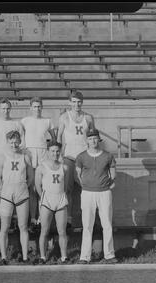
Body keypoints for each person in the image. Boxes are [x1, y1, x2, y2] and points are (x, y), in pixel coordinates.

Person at [75, 129, 118, 264]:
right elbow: (78, 175)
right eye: (90, 138)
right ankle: (85, 256)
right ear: (86, 141)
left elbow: (113, 172)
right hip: (88, 193)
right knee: (87, 225)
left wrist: (110, 183)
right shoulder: (81, 156)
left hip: (104, 192)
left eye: (95, 138)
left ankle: (109, 255)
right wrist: (86, 185)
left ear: (99, 140)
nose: (93, 141)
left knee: (107, 224)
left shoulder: (107, 156)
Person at [57, 91, 96, 227]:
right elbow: (58, 138)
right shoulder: (64, 117)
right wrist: (59, 157)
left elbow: (93, 137)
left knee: (86, 188)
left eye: (79, 101)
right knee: (67, 189)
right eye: (73, 101)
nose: (76, 104)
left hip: (84, 158)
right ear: (69, 103)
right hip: (69, 157)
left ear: (82, 102)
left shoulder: (89, 118)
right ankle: (68, 218)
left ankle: (88, 216)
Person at [0, 131, 34, 264]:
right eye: (11, 142)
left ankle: (24, 257)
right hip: (6, 196)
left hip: (22, 194)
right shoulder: (2, 156)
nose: (14, 144)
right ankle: (4, 257)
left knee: (23, 226)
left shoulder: (26, 156)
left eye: (16, 141)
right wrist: (4, 190)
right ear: (7, 142)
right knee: (4, 227)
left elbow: (31, 177)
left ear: (20, 141)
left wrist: (22, 187)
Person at [21, 97, 56, 228]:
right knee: (31, 187)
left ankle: (42, 218)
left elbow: (53, 139)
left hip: (43, 155)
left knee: (42, 188)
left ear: (42, 107)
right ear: (30, 108)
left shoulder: (47, 121)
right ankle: (32, 218)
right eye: (34, 106)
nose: (37, 109)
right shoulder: (25, 121)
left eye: (39, 106)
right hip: (29, 154)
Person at [35, 141, 71, 264]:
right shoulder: (41, 167)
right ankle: (43, 256)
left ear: (59, 152)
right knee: (44, 231)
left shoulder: (65, 167)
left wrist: (60, 196)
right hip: (47, 202)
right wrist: (44, 198)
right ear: (48, 152)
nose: (55, 153)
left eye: (57, 151)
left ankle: (64, 257)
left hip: (60, 201)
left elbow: (65, 187)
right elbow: (37, 186)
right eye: (52, 151)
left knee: (62, 231)